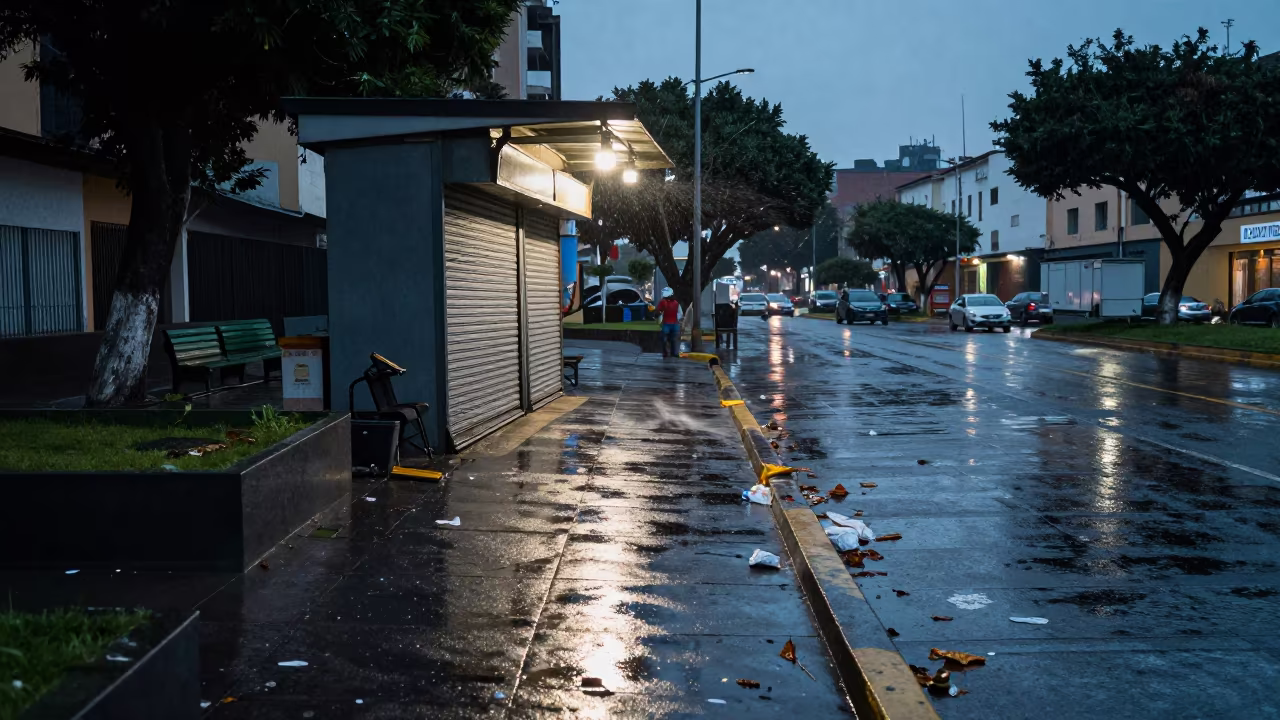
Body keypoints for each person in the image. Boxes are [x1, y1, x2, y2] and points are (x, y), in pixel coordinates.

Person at [655, 287, 681, 358]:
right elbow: (680, 313)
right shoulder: (675, 303)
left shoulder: (664, 302)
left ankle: (667, 353)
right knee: (672, 339)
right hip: (673, 323)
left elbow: (658, 311)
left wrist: (657, 316)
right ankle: (673, 353)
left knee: (666, 339)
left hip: (668, 323)